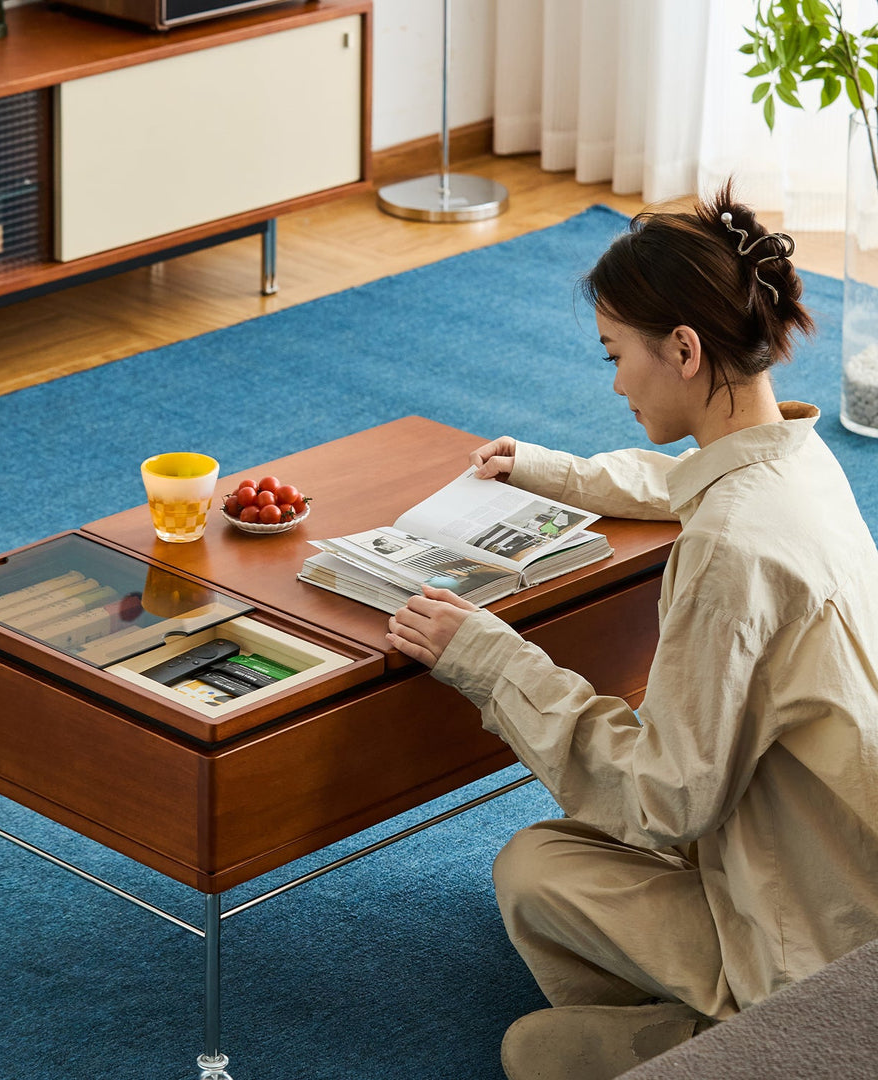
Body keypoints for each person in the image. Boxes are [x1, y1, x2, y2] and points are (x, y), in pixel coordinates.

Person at [386, 182, 878, 1080]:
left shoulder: (729, 551)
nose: (614, 381)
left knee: (535, 1018)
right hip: (839, 877)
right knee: (535, 871)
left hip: (809, 944)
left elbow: (665, 803)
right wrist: (558, 476)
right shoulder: (804, 463)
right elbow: (696, 481)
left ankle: (742, 1041)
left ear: (683, 350)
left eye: (618, 355)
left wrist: (495, 663)